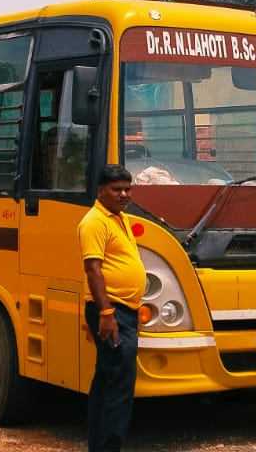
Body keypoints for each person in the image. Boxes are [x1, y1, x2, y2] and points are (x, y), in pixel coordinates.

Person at [80, 164, 146, 452]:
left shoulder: (120, 219)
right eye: (116, 189)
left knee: (107, 381)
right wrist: (106, 314)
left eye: (127, 189)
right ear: (100, 191)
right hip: (111, 311)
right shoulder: (94, 221)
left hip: (124, 311)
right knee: (120, 388)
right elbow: (93, 270)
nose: (124, 194)